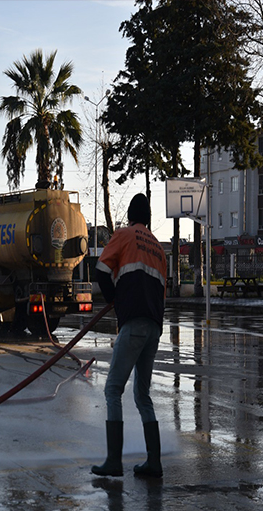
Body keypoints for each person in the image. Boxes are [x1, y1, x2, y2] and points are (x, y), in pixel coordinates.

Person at [91, 193, 168, 478]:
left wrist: (113, 301)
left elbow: (100, 270)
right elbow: (162, 293)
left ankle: (113, 461)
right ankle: (154, 462)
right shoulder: (159, 249)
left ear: (130, 216)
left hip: (133, 323)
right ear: (148, 218)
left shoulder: (124, 235)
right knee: (142, 395)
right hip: (154, 326)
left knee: (113, 389)